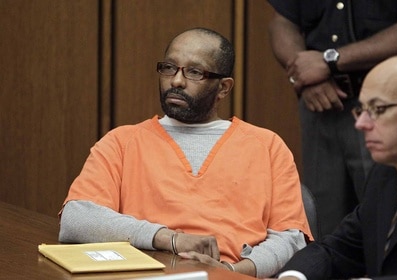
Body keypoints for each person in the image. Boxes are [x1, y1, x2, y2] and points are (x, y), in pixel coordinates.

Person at [58, 27, 312, 278]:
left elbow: (290, 239)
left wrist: (232, 271)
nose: (176, 81)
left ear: (223, 88)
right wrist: (170, 239)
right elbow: (77, 218)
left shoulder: (267, 146)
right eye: (169, 68)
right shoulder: (122, 141)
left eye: (194, 72)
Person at [267, 0, 397, 238]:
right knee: (323, 223)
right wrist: (305, 76)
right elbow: (283, 20)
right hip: (319, 103)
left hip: (389, 105)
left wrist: (330, 61)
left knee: (389, 219)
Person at [270, 54, 397, 280]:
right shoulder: (385, 176)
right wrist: (295, 275)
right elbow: (336, 250)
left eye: (378, 109)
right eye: (361, 110)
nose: (361, 124)